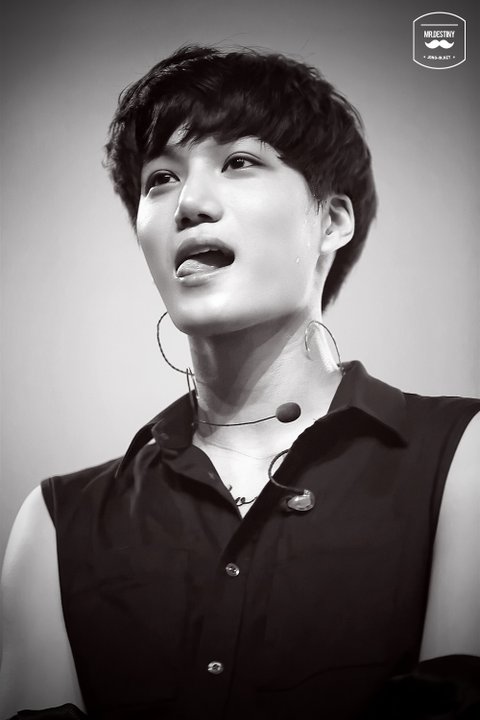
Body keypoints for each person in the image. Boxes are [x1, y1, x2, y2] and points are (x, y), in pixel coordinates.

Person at [0, 45, 479, 720]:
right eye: (160, 179)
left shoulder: (460, 457)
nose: (190, 203)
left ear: (332, 221)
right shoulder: (55, 525)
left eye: (240, 162)